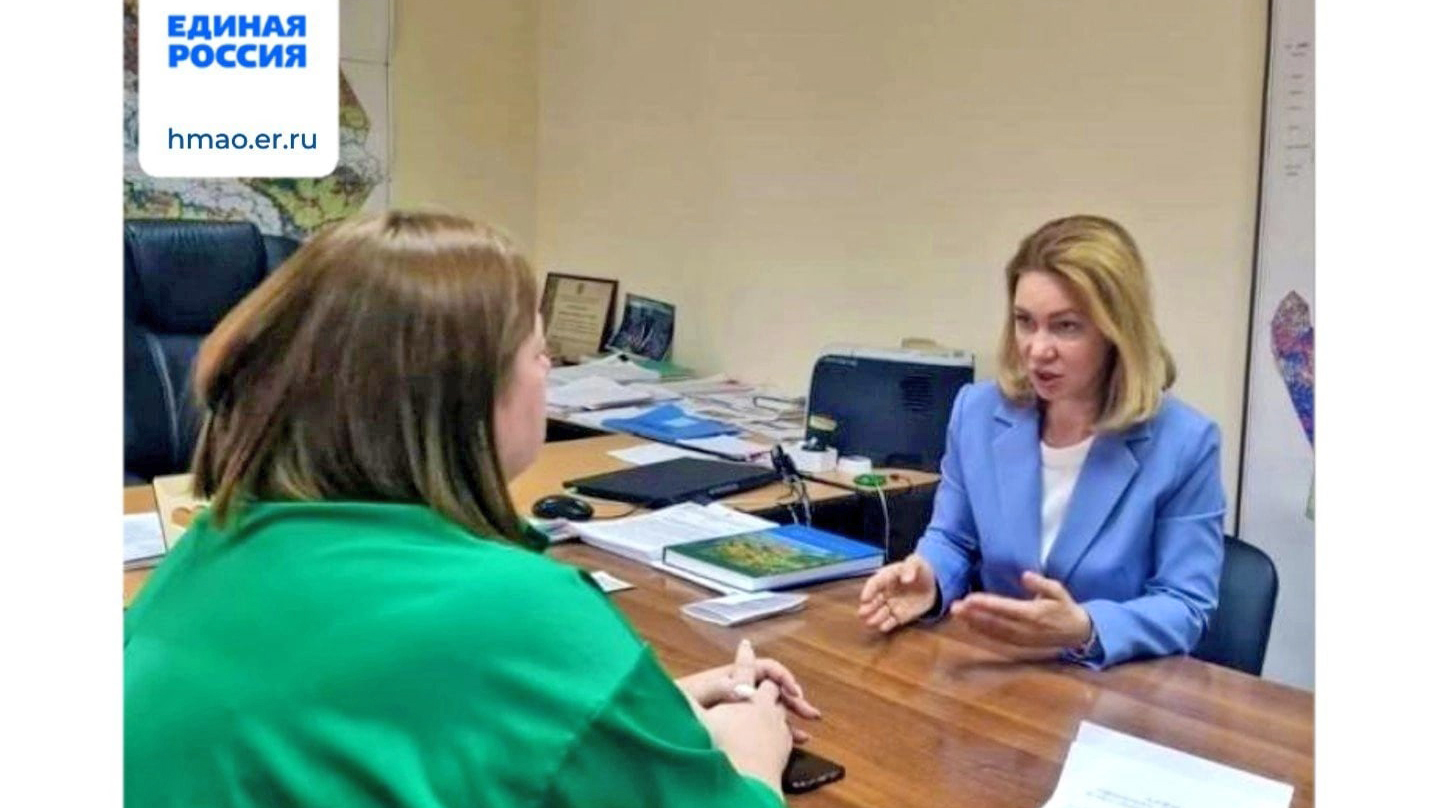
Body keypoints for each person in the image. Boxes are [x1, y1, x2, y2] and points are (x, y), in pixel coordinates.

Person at [124, 211, 820, 807]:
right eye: (540, 353)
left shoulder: (209, 548)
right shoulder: (522, 609)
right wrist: (753, 751)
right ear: (463, 397)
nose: (549, 373)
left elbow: (365, 716)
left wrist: (634, 715)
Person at [857, 215, 1224, 669]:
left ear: (1116, 331)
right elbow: (953, 538)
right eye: (1025, 322)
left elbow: (1186, 604)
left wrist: (1086, 627)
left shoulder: (1185, 443)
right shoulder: (977, 413)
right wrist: (928, 578)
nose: (1037, 349)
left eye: (1066, 326)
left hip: (1112, 686)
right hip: (997, 672)